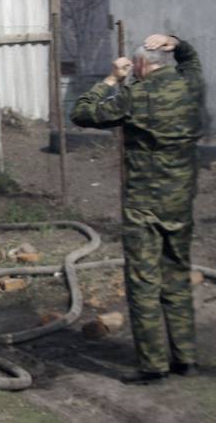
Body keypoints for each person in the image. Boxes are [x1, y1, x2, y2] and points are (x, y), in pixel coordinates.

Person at [71, 34, 203, 384]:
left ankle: (153, 365)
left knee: (144, 283)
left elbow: (82, 113)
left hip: (144, 207)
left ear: (142, 65)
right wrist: (176, 41)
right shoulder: (191, 86)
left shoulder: (134, 95)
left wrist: (112, 79)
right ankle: (185, 358)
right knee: (176, 278)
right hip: (180, 202)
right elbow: (191, 61)